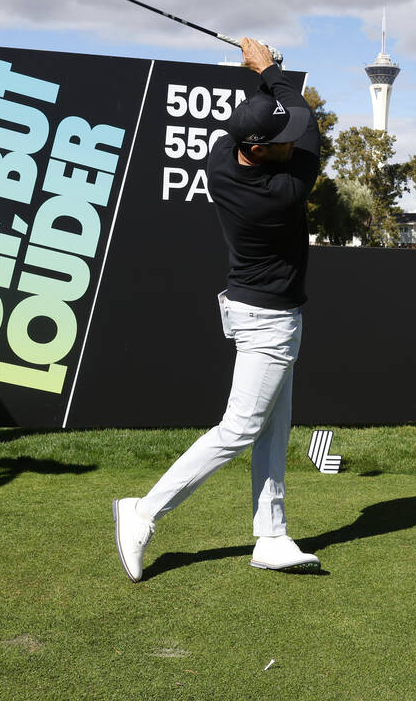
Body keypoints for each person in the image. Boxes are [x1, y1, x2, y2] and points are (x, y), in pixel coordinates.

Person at [112, 37, 321, 582]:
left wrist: (262, 78)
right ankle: (142, 512)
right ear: (262, 149)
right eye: (284, 142)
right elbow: (308, 120)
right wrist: (268, 67)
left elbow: (281, 115)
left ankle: (271, 536)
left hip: (259, 311)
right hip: (268, 320)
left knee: (275, 429)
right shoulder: (282, 191)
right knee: (239, 430)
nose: (293, 143)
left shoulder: (224, 156)